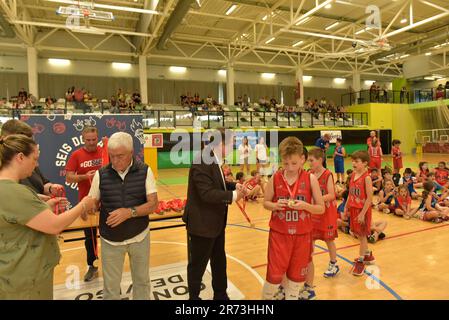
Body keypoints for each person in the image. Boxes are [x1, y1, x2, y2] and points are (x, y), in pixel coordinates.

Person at [0, 134, 96, 299]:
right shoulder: (15, 191)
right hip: (25, 278)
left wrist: (46, 206)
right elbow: (55, 225)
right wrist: (83, 205)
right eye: (34, 159)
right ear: (20, 157)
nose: (36, 165)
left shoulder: (10, 189)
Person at [88, 132, 158, 300]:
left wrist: (129, 213)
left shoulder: (145, 171)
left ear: (131, 153)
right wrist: (88, 207)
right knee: (111, 289)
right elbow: (92, 204)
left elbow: (153, 204)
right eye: (112, 156)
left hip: (139, 237)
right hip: (110, 241)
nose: (115, 161)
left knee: (142, 282)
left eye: (120, 156)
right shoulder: (101, 174)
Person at [183, 128, 247, 300]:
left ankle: (220, 294)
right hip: (202, 225)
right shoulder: (202, 161)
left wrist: (234, 186)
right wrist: (234, 195)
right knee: (197, 265)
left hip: (216, 223)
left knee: (219, 260)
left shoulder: (213, 158)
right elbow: (206, 193)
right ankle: (194, 298)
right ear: (220, 144)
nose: (233, 145)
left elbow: (217, 182)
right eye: (231, 142)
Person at [262, 137, 324, 300]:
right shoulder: (275, 178)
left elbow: (321, 208)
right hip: (279, 235)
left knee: (296, 278)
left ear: (303, 159)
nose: (289, 167)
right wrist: (275, 205)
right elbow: (265, 202)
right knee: (274, 277)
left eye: (294, 163)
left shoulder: (310, 179)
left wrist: (305, 206)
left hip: (302, 235)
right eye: (285, 163)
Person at [65, 126, 105, 282]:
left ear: (98, 138)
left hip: (107, 200)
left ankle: (110, 265)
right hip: (86, 202)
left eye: (94, 139)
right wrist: (84, 176)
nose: (91, 143)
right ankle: (92, 266)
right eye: (88, 140)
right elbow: (68, 177)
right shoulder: (76, 155)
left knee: (111, 234)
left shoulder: (104, 152)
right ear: (83, 139)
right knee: (90, 238)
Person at [1, 119, 65, 200]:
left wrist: (50, 189)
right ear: (3, 139)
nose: (24, 147)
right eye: (19, 142)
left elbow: (43, 183)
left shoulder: (29, 163)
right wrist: (34, 199)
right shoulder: (6, 171)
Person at [308, 148, 339, 280]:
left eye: (311, 160)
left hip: (327, 212)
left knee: (328, 240)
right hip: (314, 212)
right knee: (311, 238)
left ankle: (334, 264)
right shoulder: (310, 174)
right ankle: (307, 263)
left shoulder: (328, 174)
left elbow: (332, 195)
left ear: (320, 160)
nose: (309, 163)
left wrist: (317, 199)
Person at [342, 150, 375, 276]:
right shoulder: (353, 176)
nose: (353, 163)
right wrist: (346, 207)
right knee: (357, 234)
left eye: (356, 161)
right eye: (353, 161)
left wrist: (362, 214)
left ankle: (361, 262)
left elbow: (369, 198)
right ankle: (367, 255)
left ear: (365, 163)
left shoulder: (366, 178)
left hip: (362, 210)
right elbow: (350, 194)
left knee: (362, 236)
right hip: (354, 208)